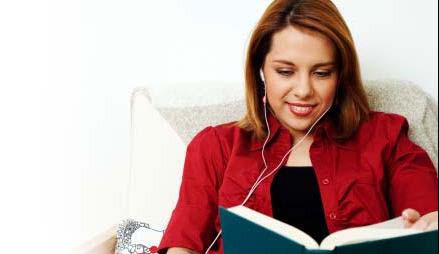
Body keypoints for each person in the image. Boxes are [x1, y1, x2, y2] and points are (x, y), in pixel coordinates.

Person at [158, 0, 438, 253]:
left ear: (341, 75)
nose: (303, 90)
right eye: (285, 71)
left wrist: (426, 229)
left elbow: (429, 216)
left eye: (321, 73)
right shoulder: (215, 146)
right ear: (261, 70)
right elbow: (183, 244)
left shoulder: (386, 138)